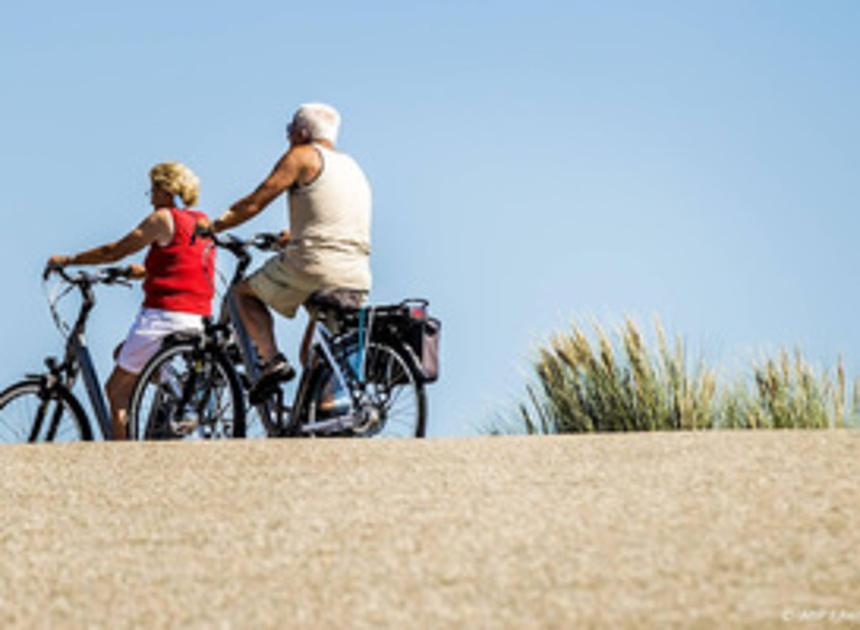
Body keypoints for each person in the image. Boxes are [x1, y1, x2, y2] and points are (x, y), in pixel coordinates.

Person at [204, 103, 372, 401]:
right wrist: (293, 236)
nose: (287, 136)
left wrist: (215, 225)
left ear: (302, 132)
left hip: (313, 264)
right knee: (313, 357)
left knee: (241, 295)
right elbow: (334, 219)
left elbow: (255, 202)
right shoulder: (352, 167)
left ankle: (271, 361)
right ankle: (325, 411)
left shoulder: (302, 155)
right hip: (356, 272)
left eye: (289, 129)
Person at [46, 162, 215, 439]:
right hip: (198, 316)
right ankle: (173, 385)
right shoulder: (200, 220)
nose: (150, 197)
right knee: (121, 353)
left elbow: (113, 251)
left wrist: (69, 260)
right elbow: (185, 264)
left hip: (163, 316)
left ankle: (123, 455)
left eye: (152, 190)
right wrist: (147, 272)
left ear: (165, 190)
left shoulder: (162, 218)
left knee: (116, 390)